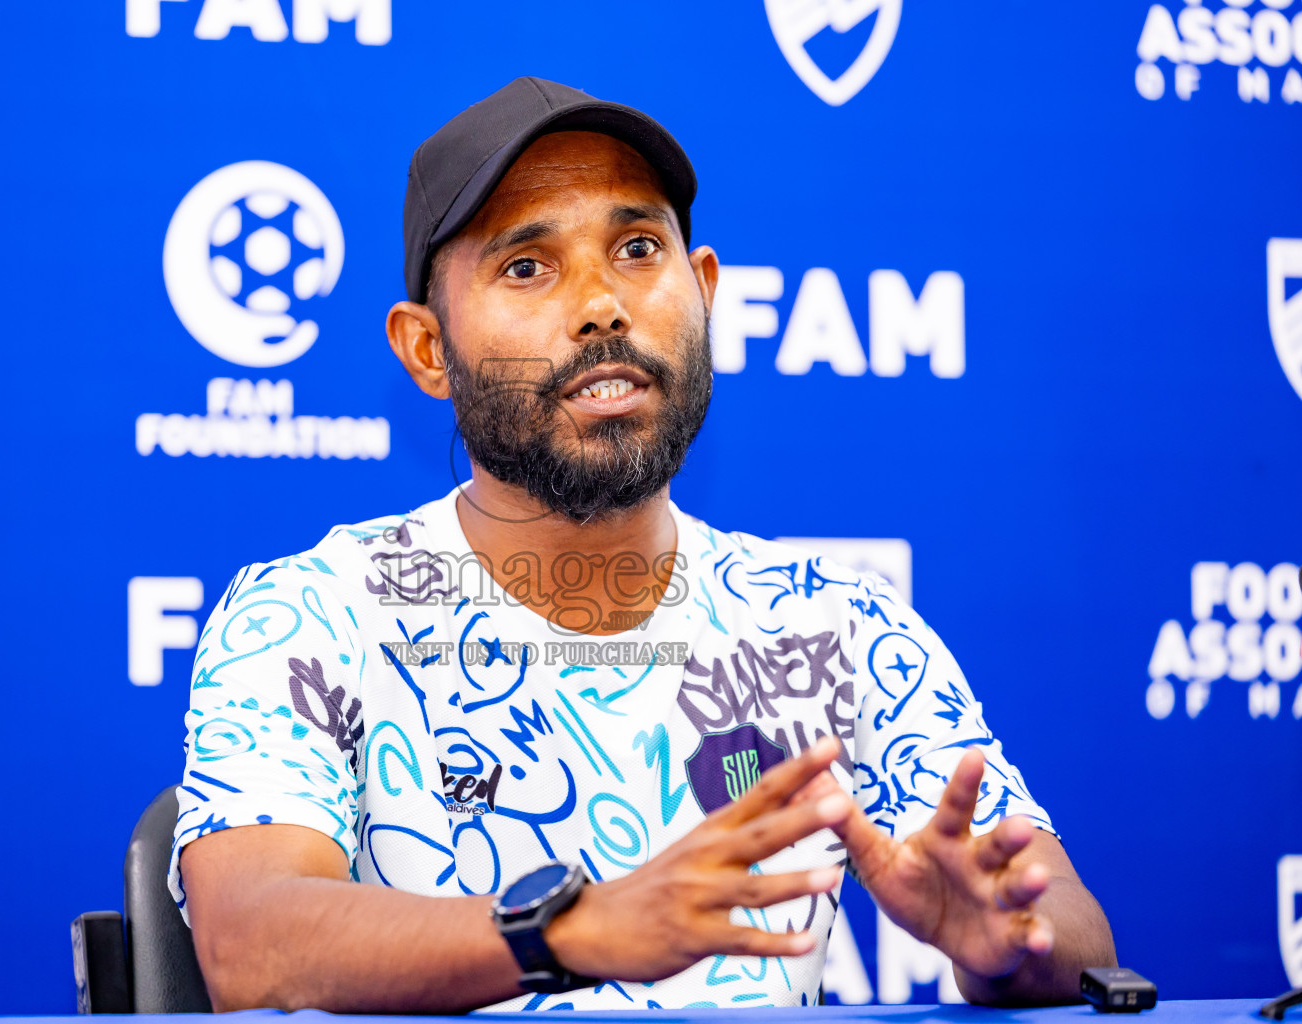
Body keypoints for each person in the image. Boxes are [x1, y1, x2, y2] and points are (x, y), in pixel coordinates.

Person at [170, 77, 1115, 1013]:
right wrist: (570, 930)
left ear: (702, 292)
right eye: (527, 266)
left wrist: (1009, 941)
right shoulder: (312, 614)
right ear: (427, 350)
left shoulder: (838, 624)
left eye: (635, 248)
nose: (600, 305)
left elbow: (1070, 929)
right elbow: (255, 945)